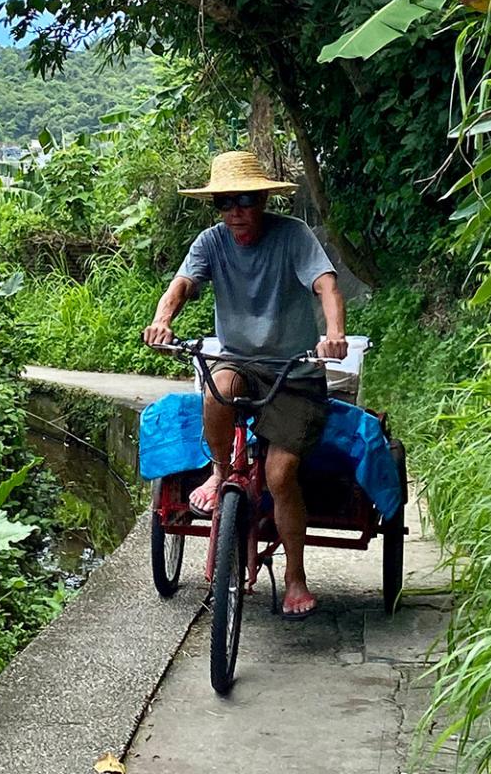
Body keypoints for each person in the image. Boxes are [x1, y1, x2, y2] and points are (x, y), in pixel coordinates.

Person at [142, 150, 348, 618]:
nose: (235, 211)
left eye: (245, 200)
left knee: (279, 475)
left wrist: (333, 334)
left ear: (262, 200)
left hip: (294, 370)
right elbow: (181, 286)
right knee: (218, 384)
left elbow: (326, 285)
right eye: (225, 202)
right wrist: (161, 322)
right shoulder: (211, 242)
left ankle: (295, 576)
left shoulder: (293, 236)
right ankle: (219, 472)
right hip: (240, 360)